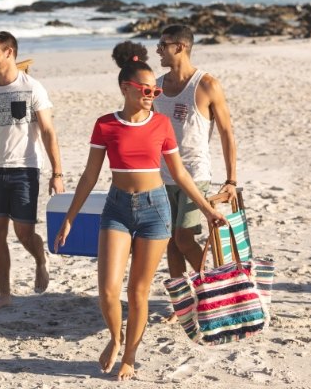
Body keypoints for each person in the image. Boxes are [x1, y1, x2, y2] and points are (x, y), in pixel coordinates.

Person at [53, 41, 227, 381]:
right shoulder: (106, 124)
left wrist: (207, 209)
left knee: (138, 292)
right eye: (146, 89)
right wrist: (70, 217)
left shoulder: (161, 124)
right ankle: (116, 338)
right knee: (107, 290)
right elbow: (90, 175)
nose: (152, 94)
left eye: (155, 90)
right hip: (117, 208)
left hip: (155, 210)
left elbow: (178, 173)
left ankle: (129, 356)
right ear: (126, 88)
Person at [0, 31, 65, 310]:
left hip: (25, 169)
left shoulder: (32, 87)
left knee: (23, 233)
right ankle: (5, 294)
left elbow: (47, 131)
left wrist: (57, 174)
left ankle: (40, 259)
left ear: (9, 53)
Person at [154, 24, 238, 290]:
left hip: (195, 175)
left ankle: (216, 286)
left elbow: (227, 133)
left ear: (180, 47)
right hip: (161, 176)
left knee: (183, 238)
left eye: (162, 45)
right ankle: (182, 300)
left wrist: (231, 180)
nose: (157, 50)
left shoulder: (207, 85)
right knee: (171, 240)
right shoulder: (155, 87)